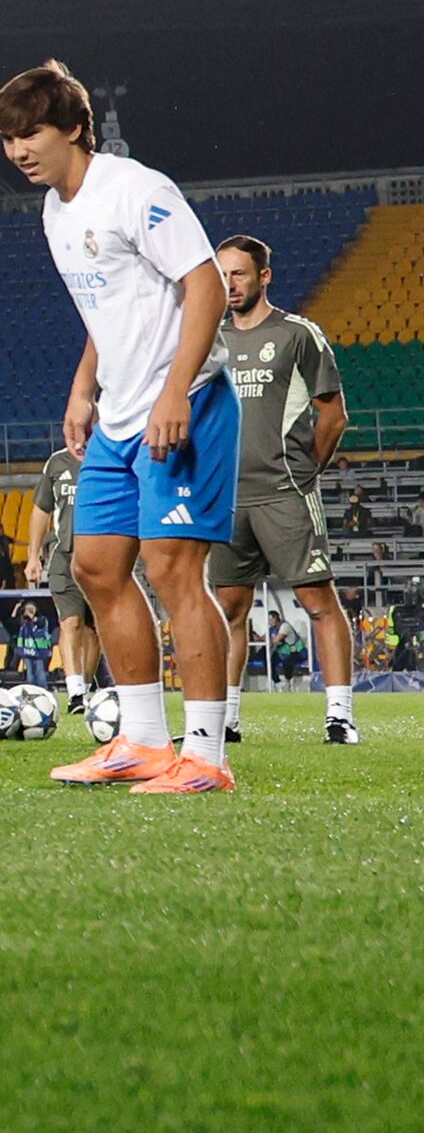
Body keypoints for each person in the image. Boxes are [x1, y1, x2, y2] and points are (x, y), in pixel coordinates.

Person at [0, 60, 239, 793]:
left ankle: (206, 758)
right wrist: (82, 387)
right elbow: (108, 311)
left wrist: (174, 395)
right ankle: (140, 741)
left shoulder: (136, 189)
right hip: (119, 413)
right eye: (7, 139)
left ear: (73, 127)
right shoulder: (55, 211)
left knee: (171, 570)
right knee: (95, 566)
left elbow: (205, 285)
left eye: (30, 132)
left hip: (184, 404)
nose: (18, 150)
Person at [204, 233, 358, 749]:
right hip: (226, 498)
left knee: (317, 600)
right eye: (222, 274)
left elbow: (333, 416)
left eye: (239, 274)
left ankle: (339, 716)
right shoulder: (210, 337)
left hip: (284, 493)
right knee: (227, 609)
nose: (229, 284)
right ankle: (226, 718)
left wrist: (306, 470)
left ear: (264, 276)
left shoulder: (297, 334)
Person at [20, 437, 94, 692]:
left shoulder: (109, 456)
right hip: (65, 556)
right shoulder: (57, 462)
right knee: (70, 622)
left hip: (102, 557)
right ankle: (75, 693)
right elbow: (41, 510)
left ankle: (86, 685)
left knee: (95, 631)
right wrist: (33, 555)